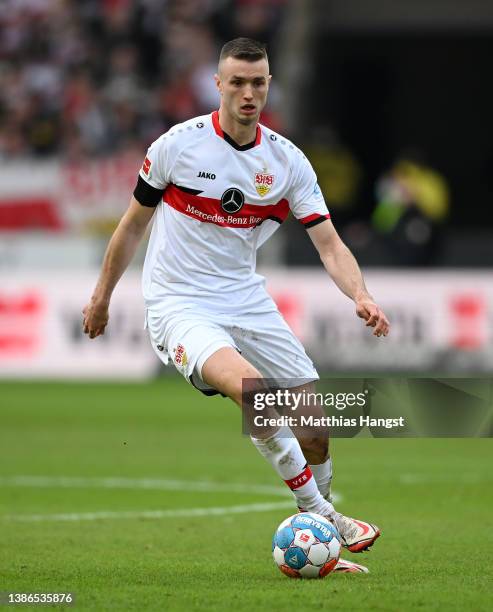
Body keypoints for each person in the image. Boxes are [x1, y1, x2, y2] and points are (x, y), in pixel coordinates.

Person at [83, 38, 390, 574]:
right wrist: (102, 297)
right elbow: (133, 225)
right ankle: (323, 517)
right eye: (239, 82)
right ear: (219, 85)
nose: (250, 93)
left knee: (315, 433)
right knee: (255, 393)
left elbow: (330, 243)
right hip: (179, 303)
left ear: (270, 84)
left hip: (246, 300)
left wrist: (360, 294)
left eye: (260, 82)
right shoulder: (178, 146)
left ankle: (323, 525)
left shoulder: (288, 162)